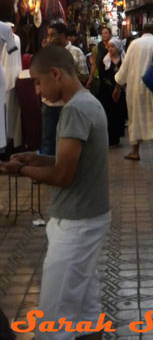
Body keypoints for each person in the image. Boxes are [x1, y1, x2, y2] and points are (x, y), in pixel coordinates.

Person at [0, 45, 111, 340]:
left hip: (76, 225)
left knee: (53, 321)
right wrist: (35, 159)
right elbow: (69, 162)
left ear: (55, 74)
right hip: (89, 217)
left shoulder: (74, 110)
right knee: (87, 312)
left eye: (38, 82)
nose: (36, 91)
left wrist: (20, 171)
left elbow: (63, 175)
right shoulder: (89, 103)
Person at [114, 23, 153, 162]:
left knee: (134, 117)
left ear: (142, 31)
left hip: (134, 87)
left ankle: (135, 152)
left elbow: (125, 66)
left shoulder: (134, 44)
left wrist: (118, 85)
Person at [40, 22, 89, 155]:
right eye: (48, 35)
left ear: (62, 36)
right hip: (48, 104)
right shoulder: (48, 52)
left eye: (52, 35)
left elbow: (84, 76)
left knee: (67, 139)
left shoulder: (76, 52)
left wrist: (66, 75)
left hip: (68, 104)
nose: (49, 39)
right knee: (48, 140)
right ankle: (49, 170)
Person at [98, 38, 127, 148]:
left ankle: (116, 138)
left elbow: (126, 74)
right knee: (108, 115)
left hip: (120, 92)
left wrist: (119, 87)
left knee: (118, 114)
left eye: (113, 46)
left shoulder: (123, 60)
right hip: (106, 92)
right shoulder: (104, 61)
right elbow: (102, 75)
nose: (110, 49)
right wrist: (111, 87)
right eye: (109, 47)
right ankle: (109, 138)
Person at [86, 25, 112, 90]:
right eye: (102, 33)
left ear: (110, 34)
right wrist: (90, 78)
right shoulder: (96, 48)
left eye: (106, 33)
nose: (104, 35)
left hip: (111, 76)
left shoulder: (113, 47)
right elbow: (94, 64)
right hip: (98, 76)